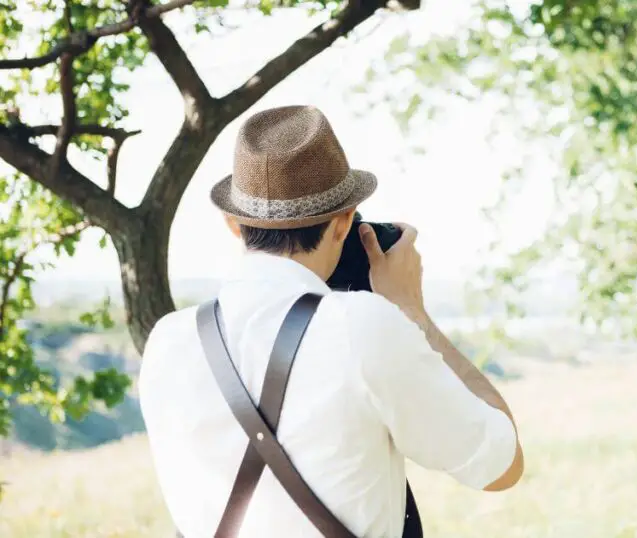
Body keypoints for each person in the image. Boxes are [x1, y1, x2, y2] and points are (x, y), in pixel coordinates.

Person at [139, 105, 524, 538]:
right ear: (345, 221)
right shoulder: (364, 327)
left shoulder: (167, 342)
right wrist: (412, 312)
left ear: (232, 223)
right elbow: (502, 465)